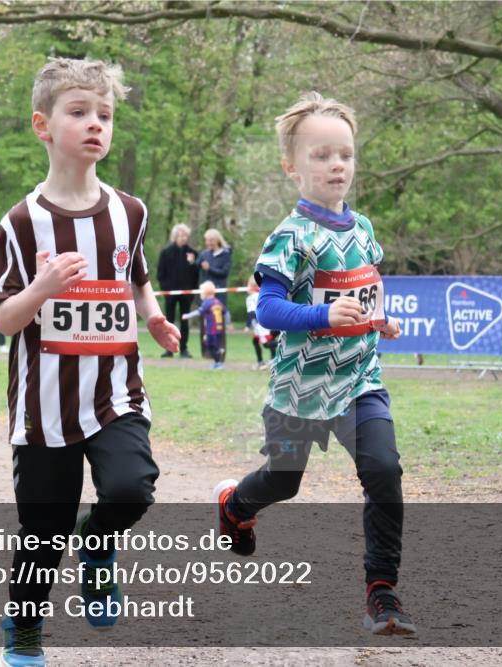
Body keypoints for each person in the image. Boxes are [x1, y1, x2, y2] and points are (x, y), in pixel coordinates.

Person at [0, 57, 179, 667]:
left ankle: (97, 548)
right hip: (44, 408)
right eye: (79, 112)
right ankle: (25, 634)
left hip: (116, 391)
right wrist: (40, 290)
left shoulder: (131, 212)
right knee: (43, 534)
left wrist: (151, 316)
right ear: (43, 125)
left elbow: (137, 278)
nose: (96, 124)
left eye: (105, 114)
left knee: (131, 489)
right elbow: (2, 320)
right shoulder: (20, 223)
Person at [211, 92, 411, 636]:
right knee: (284, 481)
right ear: (292, 166)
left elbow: (367, 293)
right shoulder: (290, 236)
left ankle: (382, 591)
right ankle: (234, 505)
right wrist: (324, 315)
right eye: (321, 155)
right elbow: (267, 307)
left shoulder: (364, 228)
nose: (337, 165)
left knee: (384, 473)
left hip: (359, 379)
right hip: (301, 384)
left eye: (344, 153)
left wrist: (378, 321)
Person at [156, 223, 199, 358]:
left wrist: (192, 264)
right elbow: (160, 274)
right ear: (175, 236)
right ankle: (169, 349)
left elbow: (196, 275)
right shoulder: (166, 252)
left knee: (184, 321)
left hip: (187, 294)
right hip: (170, 293)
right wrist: (166, 289)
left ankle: (184, 348)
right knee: (169, 321)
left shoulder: (193, 253)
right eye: (181, 235)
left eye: (185, 235)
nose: (183, 238)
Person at [182, 281, 227, 369]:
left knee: (210, 345)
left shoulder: (207, 303)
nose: (200, 294)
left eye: (201, 291)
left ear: (206, 293)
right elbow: (225, 312)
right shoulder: (217, 302)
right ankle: (218, 356)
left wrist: (187, 315)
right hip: (219, 328)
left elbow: (199, 312)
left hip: (211, 329)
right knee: (212, 344)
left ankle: (219, 360)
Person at [245, 275, 276, 370]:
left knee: (266, 343)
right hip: (266, 323)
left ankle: (281, 346)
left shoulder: (251, 298)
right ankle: (266, 360)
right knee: (256, 341)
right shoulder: (262, 295)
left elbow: (252, 313)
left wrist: (247, 326)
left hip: (261, 325)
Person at [197, 228, 232, 307]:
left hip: (219, 292)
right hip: (206, 292)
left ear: (217, 240)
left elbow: (224, 273)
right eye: (207, 240)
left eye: (211, 240)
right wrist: (191, 262)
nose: (209, 243)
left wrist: (209, 269)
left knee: (218, 316)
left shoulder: (225, 255)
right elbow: (196, 266)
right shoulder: (204, 254)